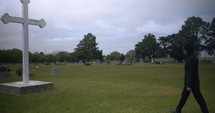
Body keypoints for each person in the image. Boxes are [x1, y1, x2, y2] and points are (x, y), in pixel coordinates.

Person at [170, 44, 209, 113]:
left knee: (198, 98)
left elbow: (191, 73)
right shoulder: (192, 57)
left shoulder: (192, 59)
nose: (183, 50)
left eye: (184, 49)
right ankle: (178, 109)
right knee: (184, 96)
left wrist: (189, 85)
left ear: (187, 50)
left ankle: (205, 111)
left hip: (192, 83)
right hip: (191, 83)